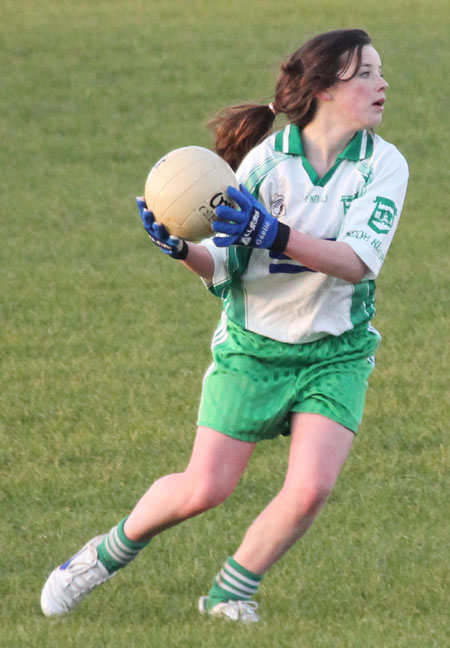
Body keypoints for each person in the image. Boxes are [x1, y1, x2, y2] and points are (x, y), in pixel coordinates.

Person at [40, 29, 408, 624]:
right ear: (322, 89)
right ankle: (97, 558)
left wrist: (276, 234)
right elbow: (226, 271)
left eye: (379, 71)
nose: (382, 83)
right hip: (253, 349)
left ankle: (230, 593)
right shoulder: (264, 164)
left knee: (311, 487)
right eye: (364, 73)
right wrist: (183, 251)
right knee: (204, 489)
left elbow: (357, 263)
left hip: (335, 351)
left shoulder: (383, 165)